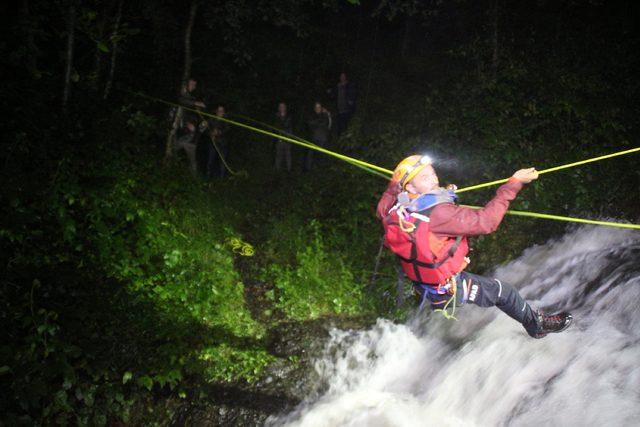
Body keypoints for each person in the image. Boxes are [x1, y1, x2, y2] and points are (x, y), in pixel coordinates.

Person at [377, 155, 573, 338]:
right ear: (410, 188)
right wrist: (514, 183)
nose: (433, 178)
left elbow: (385, 201)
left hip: (425, 285)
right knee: (505, 293)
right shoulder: (439, 214)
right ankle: (536, 326)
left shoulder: (394, 209)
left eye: (432, 172)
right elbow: (487, 222)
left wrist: (397, 182)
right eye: (424, 177)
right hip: (447, 289)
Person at [173, 78, 206, 176]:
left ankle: (193, 180)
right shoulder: (183, 95)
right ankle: (170, 173)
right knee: (172, 152)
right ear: (186, 84)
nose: (193, 86)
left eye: (195, 85)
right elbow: (182, 101)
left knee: (192, 162)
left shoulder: (196, 111)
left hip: (192, 141)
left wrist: (203, 125)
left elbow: (201, 129)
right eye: (192, 84)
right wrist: (187, 123)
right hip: (180, 135)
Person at [305, 102, 331, 171]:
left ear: (321, 108)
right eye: (316, 107)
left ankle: (321, 170)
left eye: (319, 107)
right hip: (313, 138)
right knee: (310, 155)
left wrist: (327, 115)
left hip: (323, 139)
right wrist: (318, 121)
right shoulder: (311, 115)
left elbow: (327, 124)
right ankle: (308, 170)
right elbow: (310, 123)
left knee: (321, 155)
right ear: (314, 108)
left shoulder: (325, 115)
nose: (317, 109)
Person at [327, 72, 356, 136]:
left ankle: (347, 138)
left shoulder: (349, 85)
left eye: (343, 76)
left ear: (346, 77)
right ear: (339, 77)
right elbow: (333, 96)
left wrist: (351, 100)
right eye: (341, 76)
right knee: (340, 125)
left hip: (347, 109)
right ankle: (340, 139)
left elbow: (353, 94)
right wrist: (330, 92)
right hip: (339, 109)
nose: (342, 77)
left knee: (347, 125)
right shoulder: (337, 86)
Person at [205, 105, 229, 179]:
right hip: (213, 143)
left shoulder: (226, 121)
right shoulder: (211, 119)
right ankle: (208, 177)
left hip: (223, 144)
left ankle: (221, 179)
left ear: (224, 113)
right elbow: (205, 130)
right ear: (216, 111)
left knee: (222, 162)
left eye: (221, 111)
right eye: (218, 110)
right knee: (210, 160)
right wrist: (209, 131)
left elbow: (227, 130)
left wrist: (219, 132)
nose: (220, 112)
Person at [274, 102, 293, 172]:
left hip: (287, 138)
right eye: (280, 106)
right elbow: (274, 127)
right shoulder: (276, 116)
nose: (282, 108)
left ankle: (289, 170)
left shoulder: (289, 116)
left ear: (285, 108)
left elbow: (290, 128)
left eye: (283, 106)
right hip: (279, 139)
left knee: (288, 155)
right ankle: (277, 170)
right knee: (278, 155)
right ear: (279, 108)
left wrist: (290, 138)